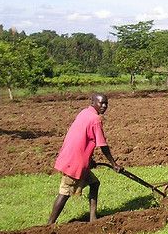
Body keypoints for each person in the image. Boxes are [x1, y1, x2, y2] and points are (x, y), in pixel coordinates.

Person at [48, 93, 123, 224]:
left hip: (73, 158)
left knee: (94, 183)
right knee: (65, 192)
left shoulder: (84, 113)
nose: (104, 106)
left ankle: (93, 218)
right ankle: (49, 225)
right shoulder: (95, 119)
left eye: (106, 103)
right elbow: (102, 145)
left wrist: (89, 160)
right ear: (93, 102)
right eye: (101, 103)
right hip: (74, 162)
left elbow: (83, 138)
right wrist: (114, 163)